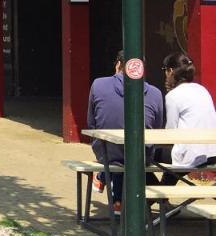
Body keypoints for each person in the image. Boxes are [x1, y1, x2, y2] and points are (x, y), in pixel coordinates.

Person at [86, 50, 164, 207]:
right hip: (142, 154)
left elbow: (91, 123)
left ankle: (111, 190)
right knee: (133, 153)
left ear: (118, 65)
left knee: (117, 153)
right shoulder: (155, 93)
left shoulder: (98, 84)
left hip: (106, 152)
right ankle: (120, 196)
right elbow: (158, 127)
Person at [161, 51, 216, 180]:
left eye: (164, 70)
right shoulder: (202, 89)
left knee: (149, 155)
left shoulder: (173, 96)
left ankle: (159, 194)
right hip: (212, 151)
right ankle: (163, 194)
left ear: (170, 71)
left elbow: (170, 134)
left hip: (192, 155)